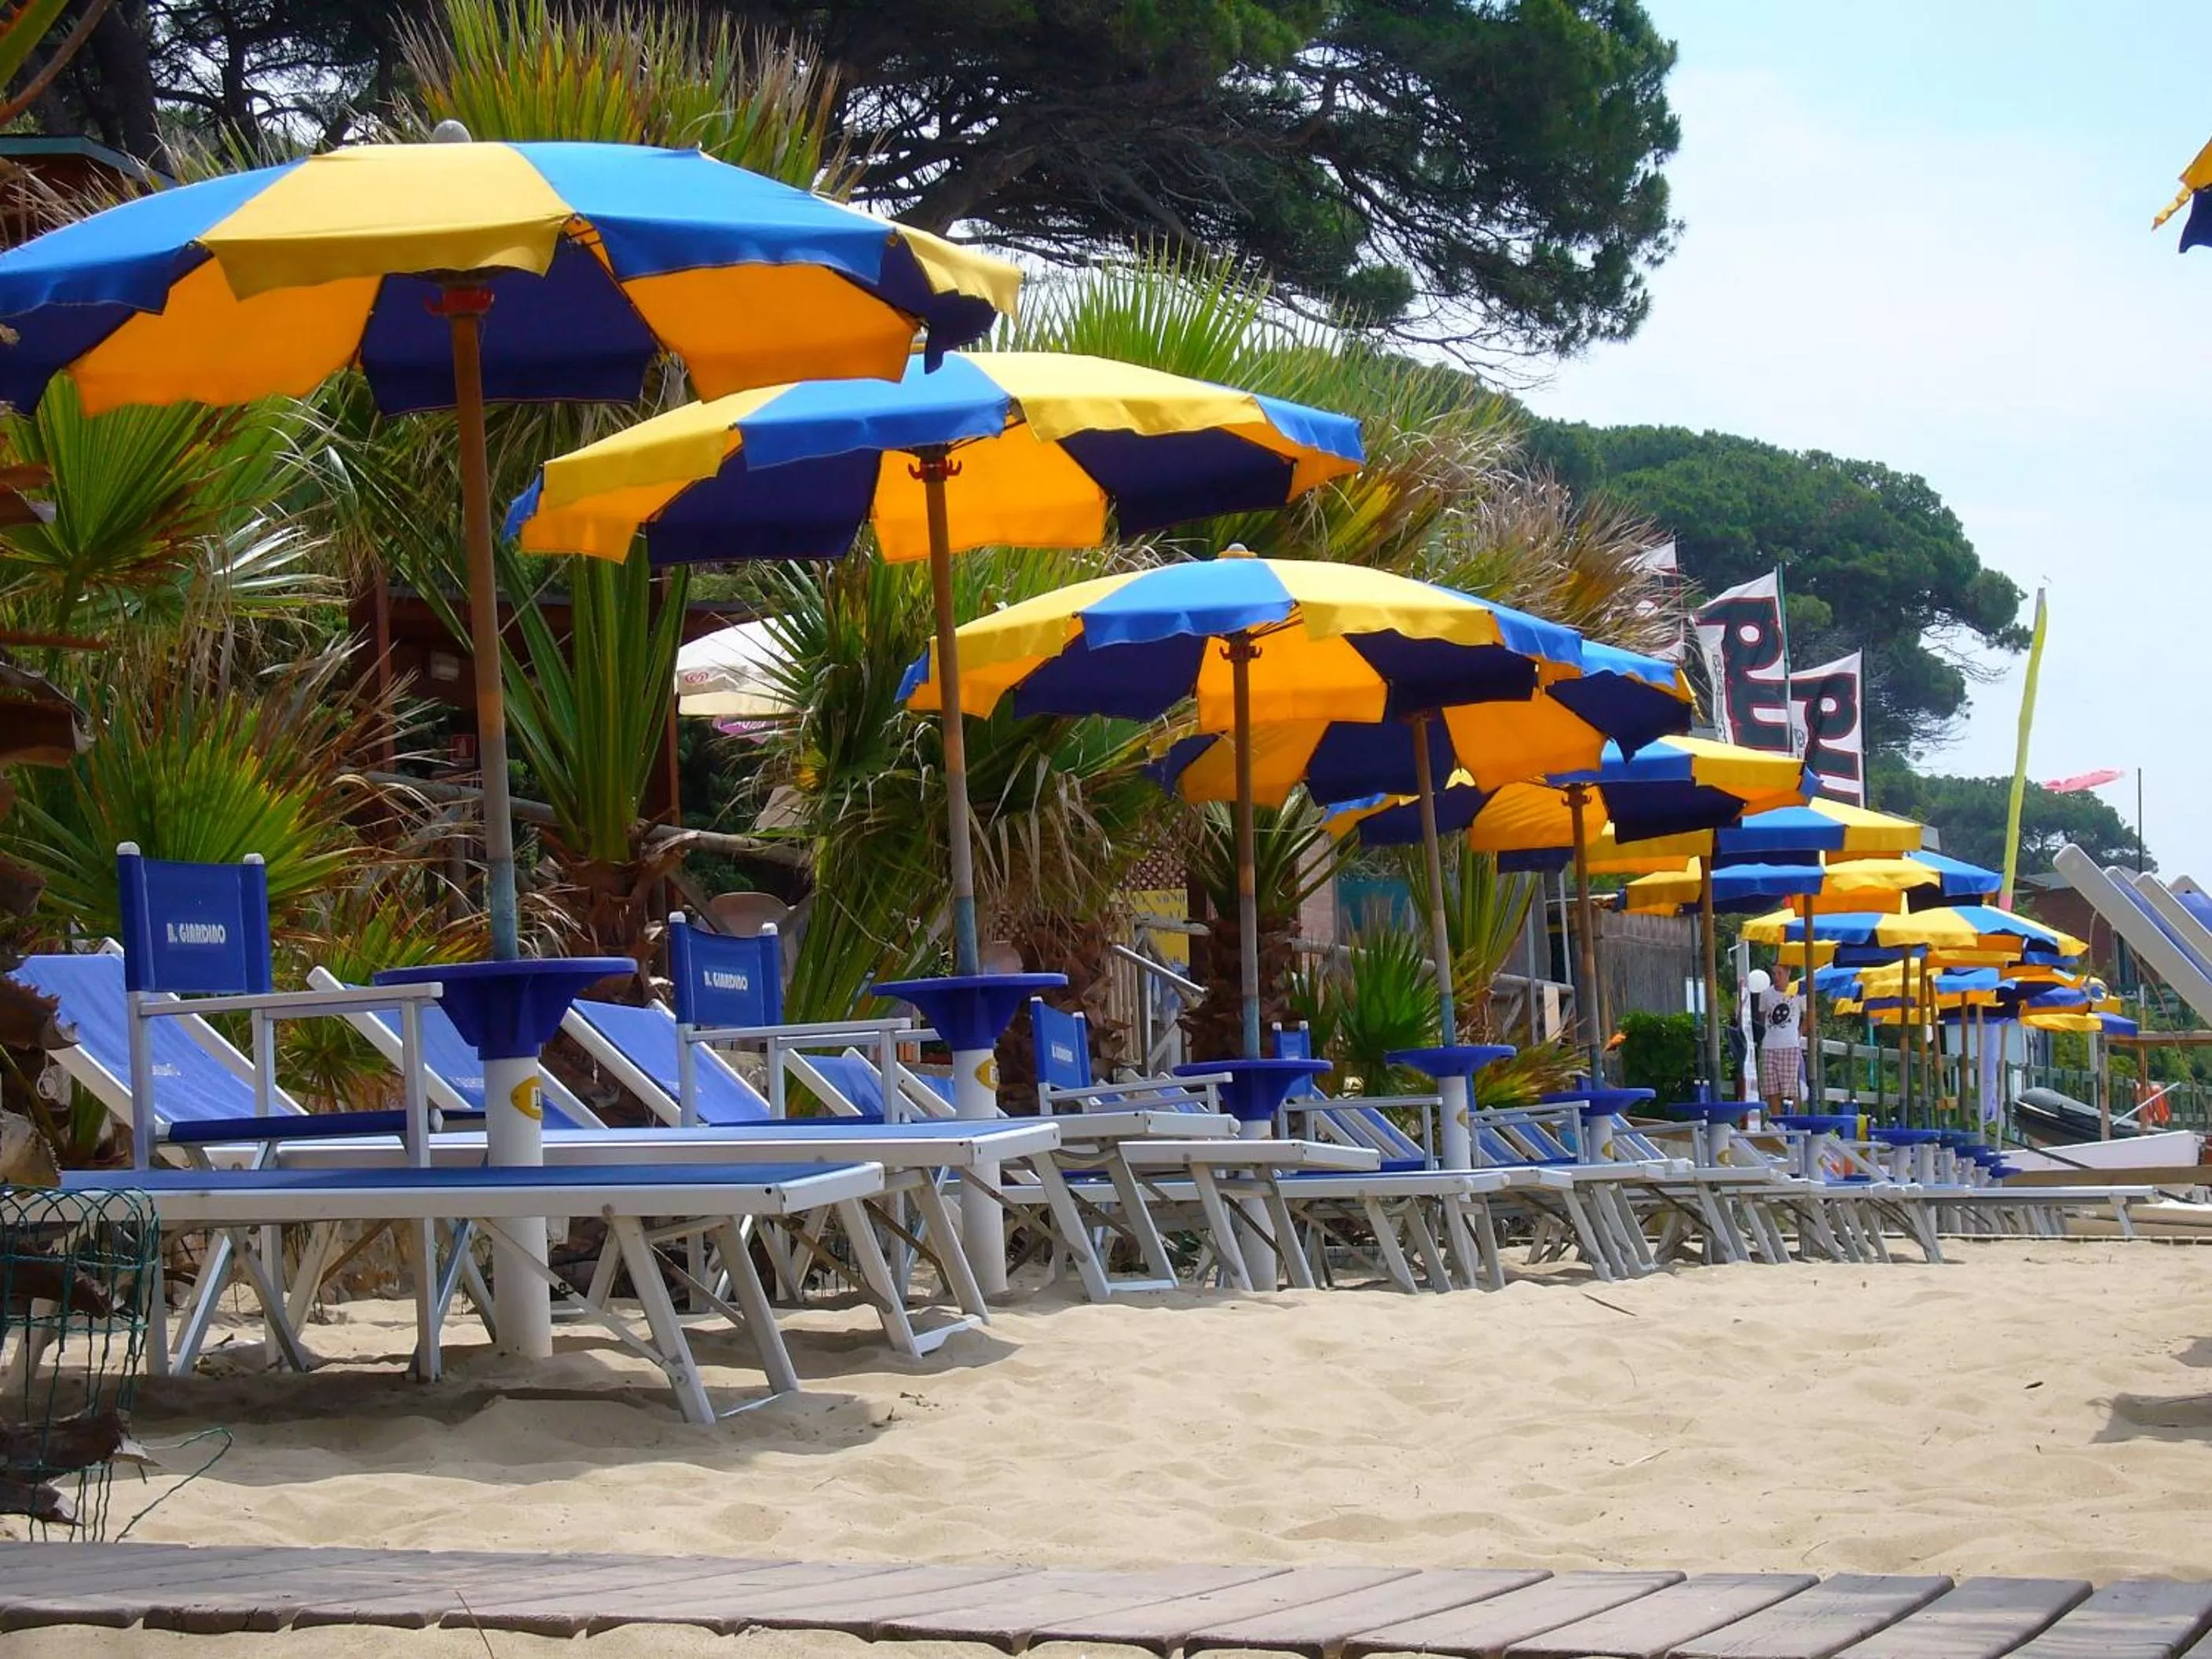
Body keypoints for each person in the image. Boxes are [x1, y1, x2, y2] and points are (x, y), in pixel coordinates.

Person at [1756, 972, 1807, 1109]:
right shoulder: (1766, 994)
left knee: (1790, 1087)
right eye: (1774, 973)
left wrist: (1800, 1032)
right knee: (1771, 1088)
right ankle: (1777, 1121)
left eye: (1780, 973)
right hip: (1769, 1044)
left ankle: (1792, 1120)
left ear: (1788, 973)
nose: (1776, 976)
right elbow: (1762, 1016)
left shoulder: (1798, 992)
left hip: (1790, 1044)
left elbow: (1810, 1014)